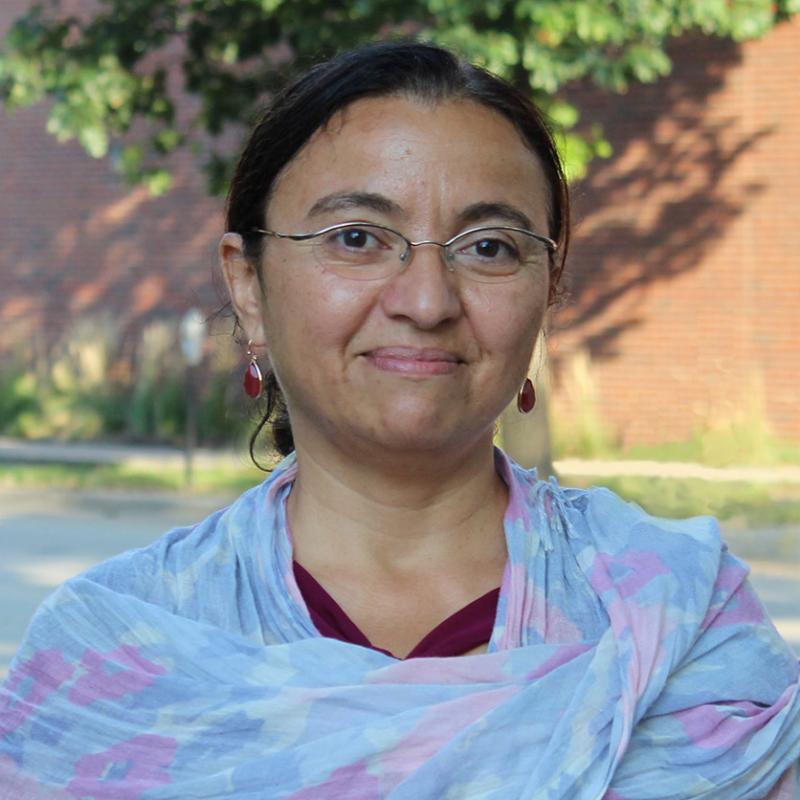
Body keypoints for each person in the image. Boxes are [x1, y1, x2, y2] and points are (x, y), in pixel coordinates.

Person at [1, 41, 798, 800]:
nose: (425, 300)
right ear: (249, 288)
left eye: (488, 247)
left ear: (548, 291)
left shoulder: (683, 624)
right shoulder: (115, 656)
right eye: (356, 238)